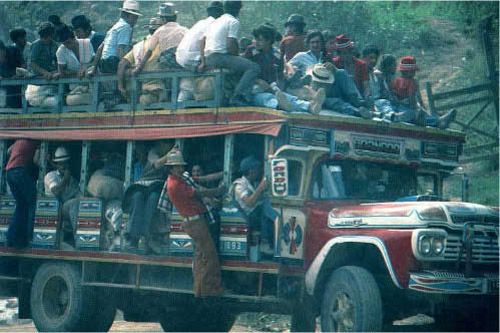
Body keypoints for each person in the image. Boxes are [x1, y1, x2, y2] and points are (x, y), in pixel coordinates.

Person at [166, 147, 225, 297]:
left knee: (200, 257)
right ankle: (211, 290)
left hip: (193, 222)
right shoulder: (175, 185)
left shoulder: (179, 180)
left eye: (181, 166)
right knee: (209, 256)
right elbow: (199, 192)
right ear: (171, 168)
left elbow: (201, 180)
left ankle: (199, 290)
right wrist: (217, 191)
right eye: (178, 167)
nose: (181, 169)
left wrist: (223, 174)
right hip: (195, 222)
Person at [244, 24, 325, 114]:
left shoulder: (277, 55)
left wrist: (278, 86)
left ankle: (310, 106)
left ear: (269, 41)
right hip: (254, 90)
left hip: (272, 88)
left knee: (288, 97)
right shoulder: (251, 51)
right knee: (266, 99)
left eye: (260, 40)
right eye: (256, 39)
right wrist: (258, 81)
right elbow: (243, 71)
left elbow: (279, 75)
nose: (256, 42)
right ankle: (280, 105)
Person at [198, 0, 261, 106]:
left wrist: (203, 61)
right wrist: (238, 56)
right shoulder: (233, 21)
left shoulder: (216, 21)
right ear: (238, 9)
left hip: (209, 57)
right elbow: (230, 44)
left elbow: (201, 41)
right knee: (254, 67)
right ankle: (238, 97)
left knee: (240, 66)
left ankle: (231, 93)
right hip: (219, 57)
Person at [122, 141, 173, 254]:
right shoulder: (154, 152)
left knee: (153, 199)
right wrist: (169, 155)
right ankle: (133, 240)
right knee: (137, 197)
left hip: (160, 187)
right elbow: (156, 164)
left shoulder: (176, 154)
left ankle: (145, 238)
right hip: (144, 185)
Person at [389, 56, 456, 128]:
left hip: (398, 107)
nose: (414, 73)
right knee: (418, 114)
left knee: (414, 114)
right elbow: (412, 98)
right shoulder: (412, 82)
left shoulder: (395, 81)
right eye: (412, 71)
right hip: (408, 107)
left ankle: (432, 120)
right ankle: (438, 122)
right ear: (407, 71)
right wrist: (415, 107)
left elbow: (393, 95)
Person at [231, 156, 279, 256]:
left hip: (257, 214)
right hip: (248, 216)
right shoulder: (240, 185)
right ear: (251, 171)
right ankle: (265, 242)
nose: (259, 171)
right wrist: (261, 188)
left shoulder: (253, 183)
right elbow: (249, 202)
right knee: (264, 210)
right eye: (257, 169)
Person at [116, 18, 164, 104]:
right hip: (161, 88)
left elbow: (122, 64)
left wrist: (120, 86)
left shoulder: (139, 46)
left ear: (149, 30)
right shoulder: (165, 44)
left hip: (143, 89)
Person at [133, 2, 188, 76]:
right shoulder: (184, 30)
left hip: (166, 67)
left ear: (163, 19)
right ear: (175, 16)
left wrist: (138, 69)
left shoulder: (159, 31)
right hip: (181, 65)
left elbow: (149, 52)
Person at [5, 139, 40, 248]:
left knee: (21, 205)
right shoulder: (36, 141)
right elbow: (36, 161)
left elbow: (8, 151)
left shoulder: (19, 139)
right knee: (32, 202)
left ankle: (11, 237)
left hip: (9, 172)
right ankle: (28, 236)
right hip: (20, 171)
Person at [91, 0, 142, 74]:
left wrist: (94, 67)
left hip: (104, 63)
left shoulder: (115, 27)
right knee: (135, 71)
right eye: (135, 17)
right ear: (129, 15)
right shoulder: (126, 27)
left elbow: (100, 48)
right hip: (113, 62)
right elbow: (120, 48)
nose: (136, 20)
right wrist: (124, 65)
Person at [44, 147, 81, 249]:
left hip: (65, 211)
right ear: (57, 164)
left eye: (65, 163)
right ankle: (79, 241)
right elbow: (56, 192)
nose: (63, 166)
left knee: (79, 203)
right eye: (60, 163)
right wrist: (65, 179)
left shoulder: (72, 180)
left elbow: (79, 195)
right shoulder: (50, 176)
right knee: (73, 203)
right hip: (53, 210)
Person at [307, 63, 373, 119]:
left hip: (336, 94)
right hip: (322, 99)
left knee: (341, 72)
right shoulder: (309, 84)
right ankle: (357, 112)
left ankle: (359, 102)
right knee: (334, 102)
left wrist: (335, 70)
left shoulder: (328, 77)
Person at [55, 25, 95, 106]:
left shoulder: (86, 43)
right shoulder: (61, 51)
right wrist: (77, 72)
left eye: (69, 43)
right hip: (75, 89)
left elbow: (94, 62)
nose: (67, 46)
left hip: (91, 85)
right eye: (65, 44)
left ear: (74, 37)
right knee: (71, 100)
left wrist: (85, 67)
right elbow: (62, 72)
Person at [26, 22, 60, 108]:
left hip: (49, 73)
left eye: (48, 36)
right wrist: (44, 72)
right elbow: (32, 63)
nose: (46, 39)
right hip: (35, 74)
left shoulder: (55, 45)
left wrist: (58, 71)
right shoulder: (37, 45)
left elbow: (57, 60)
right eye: (44, 37)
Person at [0, 40, 23, 108]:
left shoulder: (14, 50)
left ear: (3, 50)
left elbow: (23, 65)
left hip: (18, 80)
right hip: (4, 83)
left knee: (17, 102)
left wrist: (18, 74)